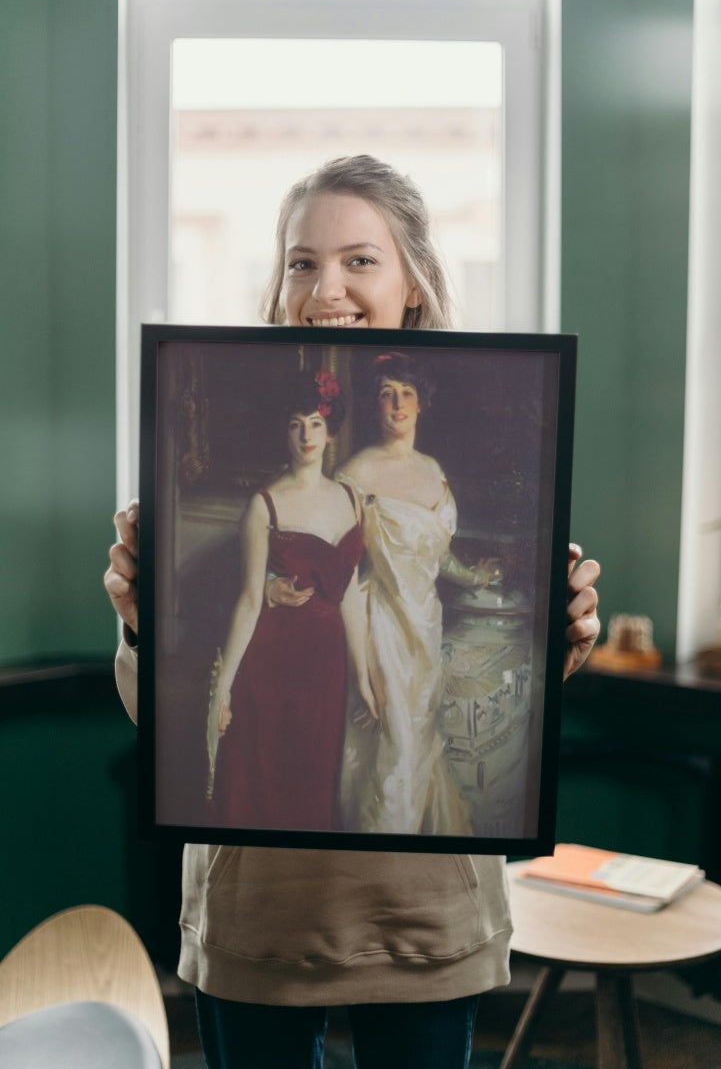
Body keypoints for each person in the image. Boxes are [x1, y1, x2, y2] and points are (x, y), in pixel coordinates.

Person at [105, 154, 601, 1069]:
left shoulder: (466, 439)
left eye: (359, 260)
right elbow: (162, 717)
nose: (324, 286)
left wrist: (555, 637)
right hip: (261, 907)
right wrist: (139, 622)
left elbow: (486, 637)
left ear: (412, 280)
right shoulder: (300, 483)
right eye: (301, 261)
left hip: (421, 911)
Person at [333, 351, 494, 836]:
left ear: (423, 403)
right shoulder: (355, 474)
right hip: (380, 625)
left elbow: (435, 554)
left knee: (419, 742)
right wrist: (361, 672)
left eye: (407, 393)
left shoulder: (433, 469)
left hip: (427, 625)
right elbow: (340, 570)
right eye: (387, 393)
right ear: (375, 405)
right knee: (393, 745)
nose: (397, 404)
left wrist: (473, 576)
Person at [207, 370, 375, 832]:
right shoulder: (265, 505)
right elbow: (247, 601)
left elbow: (351, 596)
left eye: (316, 423)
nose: (307, 435)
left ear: (330, 429)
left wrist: (362, 676)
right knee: (266, 785)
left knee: (315, 786)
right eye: (296, 424)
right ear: (283, 430)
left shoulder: (350, 498)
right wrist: (223, 691)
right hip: (272, 664)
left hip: (327, 667)